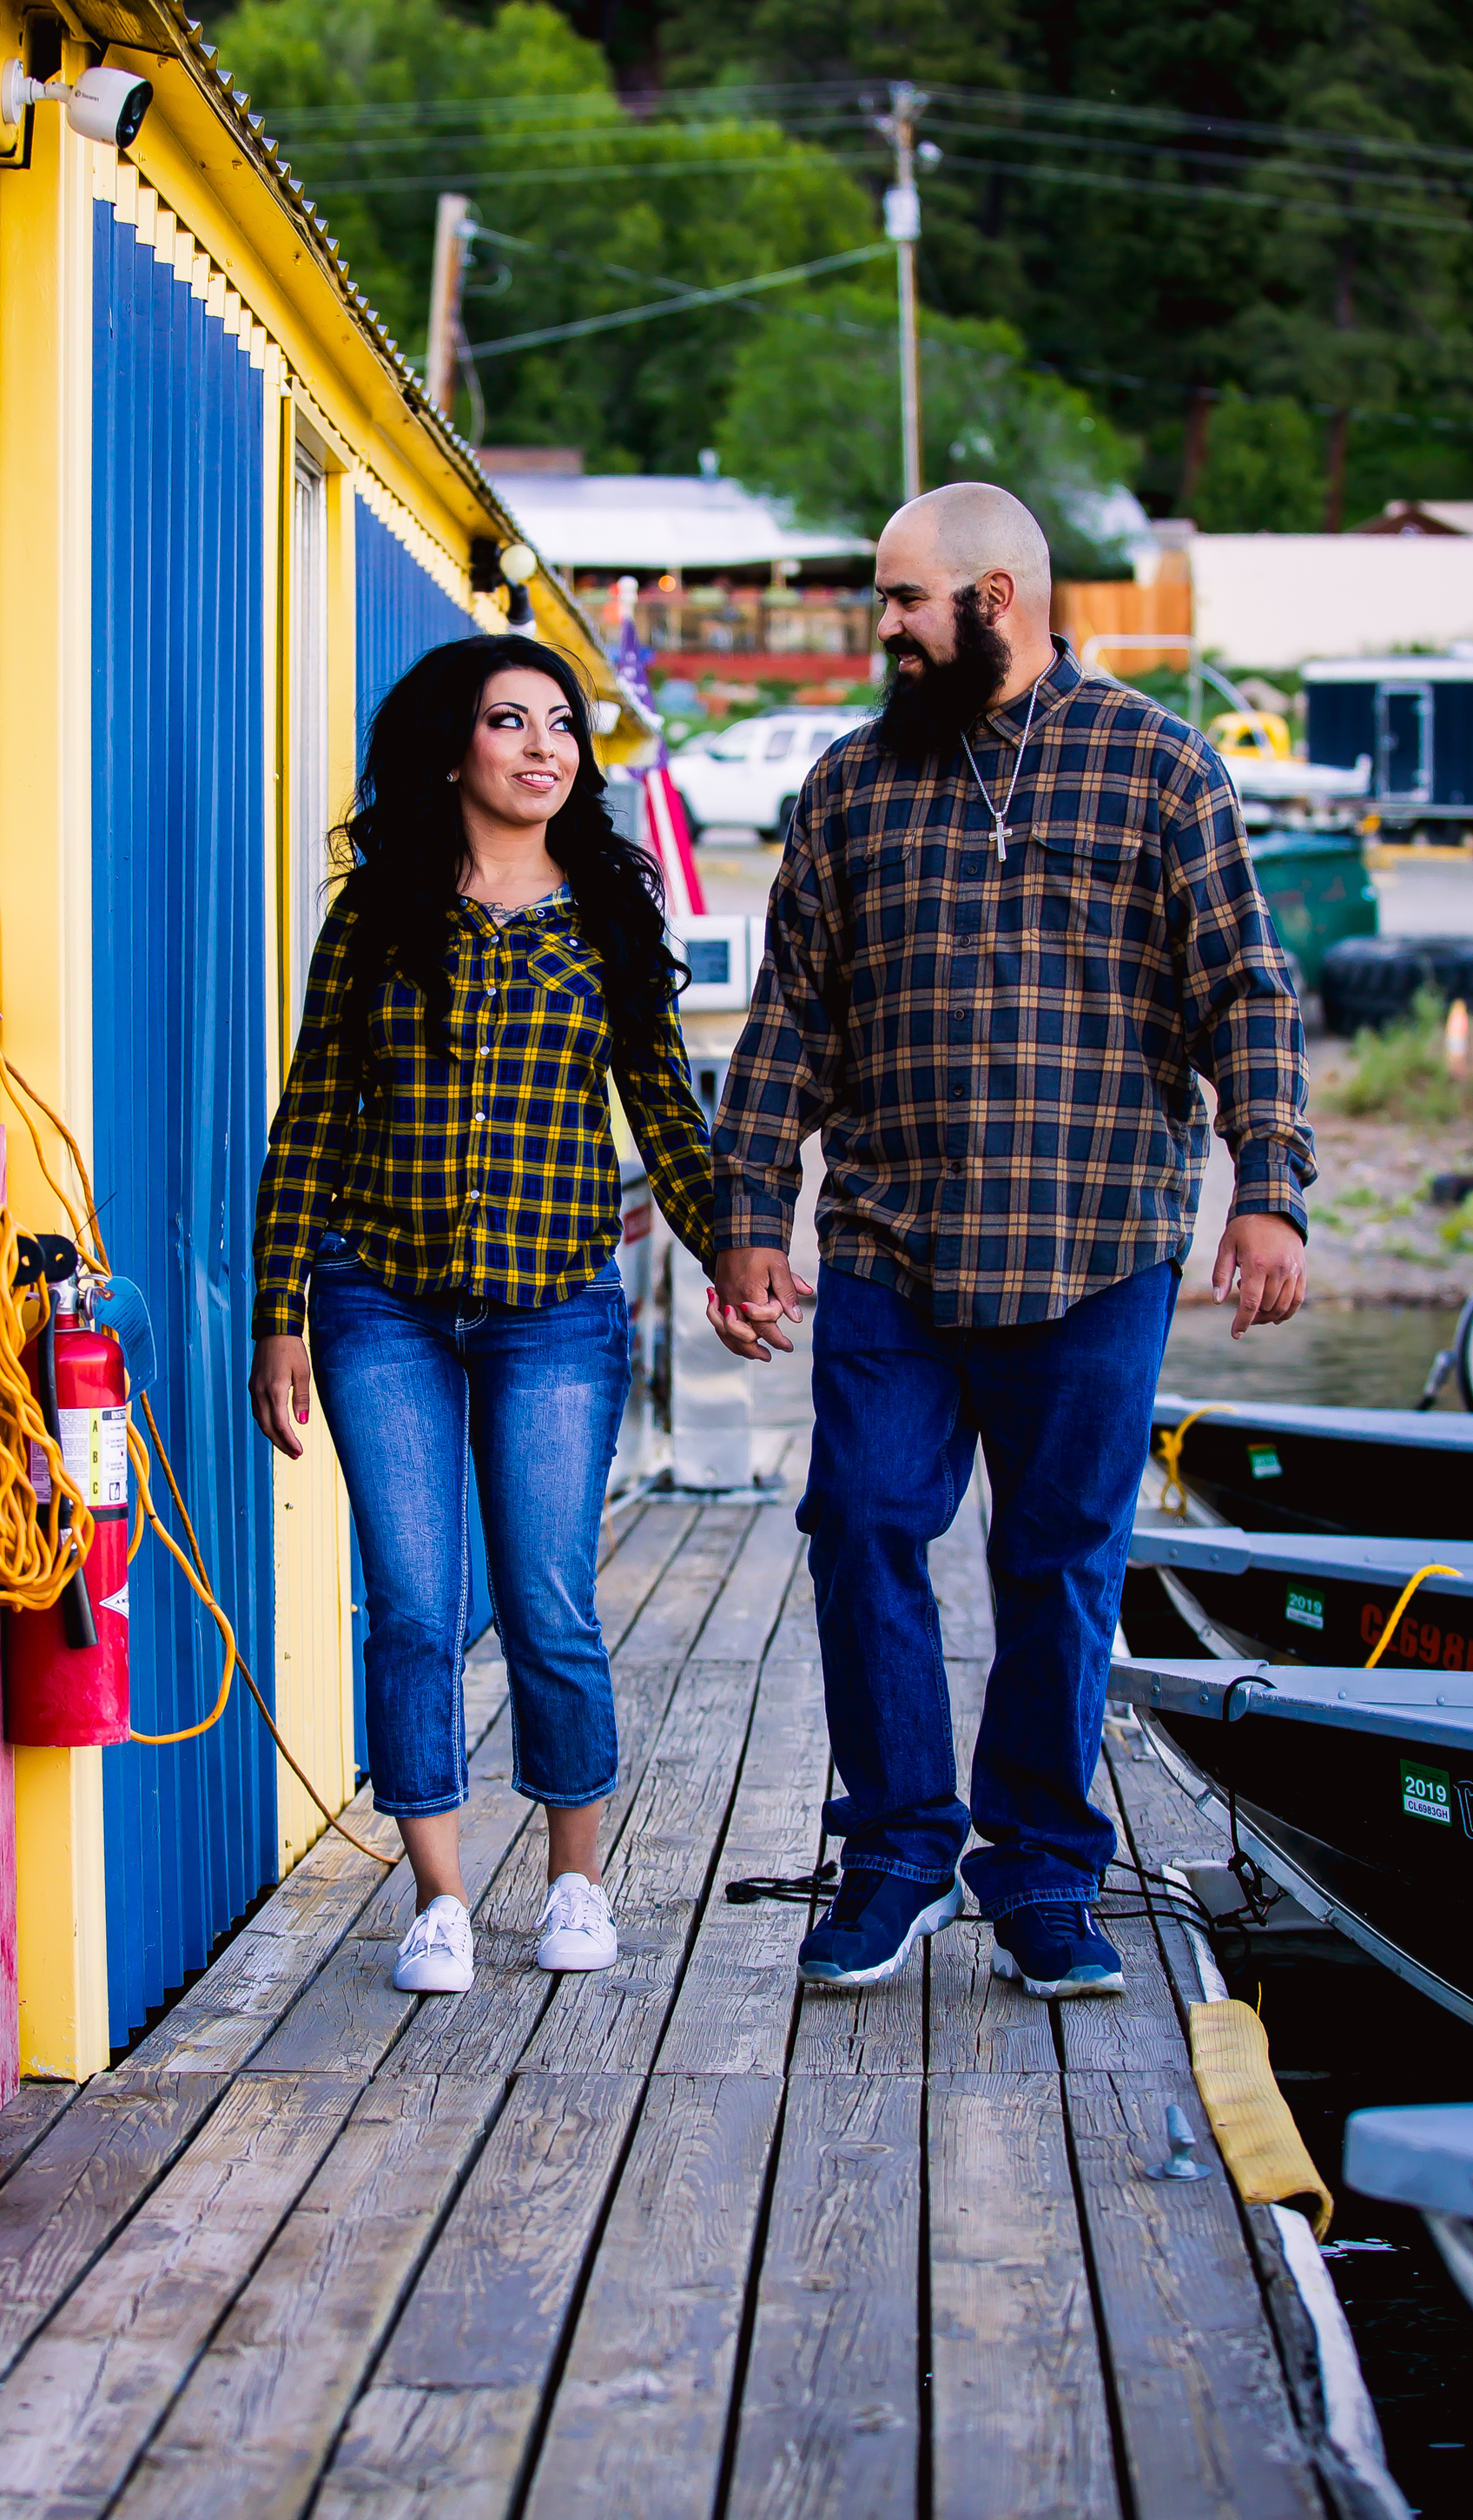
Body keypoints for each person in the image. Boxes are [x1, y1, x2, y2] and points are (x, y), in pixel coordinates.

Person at [706, 483, 1312, 1999]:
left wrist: (1269, 1188)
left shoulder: (1162, 765)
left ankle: (1043, 1873)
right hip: (892, 1248)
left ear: (995, 596)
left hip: (1098, 1244)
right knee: (860, 1521)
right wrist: (745, 1222)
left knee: (1059, 1566)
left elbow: (1247, 989)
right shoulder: (848, 787)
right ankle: (900, 1853)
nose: (885, 630)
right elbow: (789, 1020)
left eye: (905, 601)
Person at [250, 634, 712, 1996]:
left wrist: (736, 1248)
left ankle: (577, 1878)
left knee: (547, 1601)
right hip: (377, 1299)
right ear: (456, 748)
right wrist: (281, 1310)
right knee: (411, 1603)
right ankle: (439, 1896)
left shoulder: (613, 919)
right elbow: (312, 1117)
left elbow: (668, 1117)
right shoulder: (381, 912)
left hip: (554, 1312)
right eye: (510, 723)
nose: (542, 748)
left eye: (561, 726)